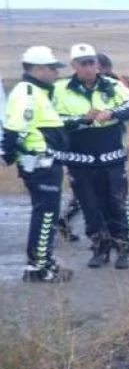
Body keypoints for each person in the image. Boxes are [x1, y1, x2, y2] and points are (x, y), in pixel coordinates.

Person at [53, 43, 129, 269]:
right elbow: (54, 119)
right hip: (80, 159)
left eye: (92, 62)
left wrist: (112, 113)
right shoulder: (61, 89)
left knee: (117, 203)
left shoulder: (112, 85)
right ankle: (100, 247)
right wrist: (81, 119)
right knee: (89, 205)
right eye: (83, 63)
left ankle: (123, 248)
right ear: (74, 65)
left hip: (111, 157)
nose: (89, 67)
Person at [3, 46, 74, 282]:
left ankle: (44, 259)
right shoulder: (27, 92)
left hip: (48, 162)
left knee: (48, 214)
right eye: (52, 68)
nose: (55, 73)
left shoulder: (39, 92)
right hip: (39, 164)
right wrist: (11, 154)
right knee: (45, 214)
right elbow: (15, 128)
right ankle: (37, 267)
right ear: (38, 68)